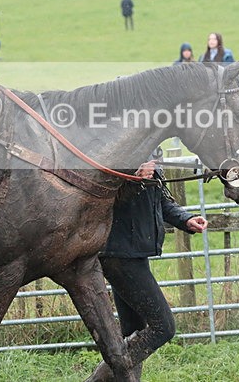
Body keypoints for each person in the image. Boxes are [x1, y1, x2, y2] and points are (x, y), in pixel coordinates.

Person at [93, 155, 208, 380]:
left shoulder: (150, 149)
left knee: (133, 332)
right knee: (163, 327)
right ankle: (98, 379)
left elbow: (160, 200)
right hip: (118, 252)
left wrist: (185, 219)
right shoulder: (121, 147)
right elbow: (101, 192)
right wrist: (132, 177)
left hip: (133, 252)